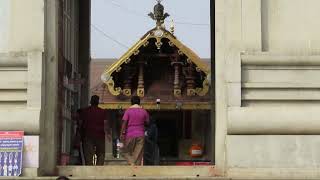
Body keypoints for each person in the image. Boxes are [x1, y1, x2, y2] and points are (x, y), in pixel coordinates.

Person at [80, 95, 111, 165]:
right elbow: (105, 124)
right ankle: (99, 169)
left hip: (88, 135)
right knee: (101, 154)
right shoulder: (103, 112)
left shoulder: (85, 111)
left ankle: (90, 169)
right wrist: (108, 134)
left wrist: (80, 134)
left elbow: (81, 123)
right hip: (100, 135)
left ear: (90, 102)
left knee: (88, 155)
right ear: (98, 102)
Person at [120, 96, 149, 165]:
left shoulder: (128, 111)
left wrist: (122, 134)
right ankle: (136, 172)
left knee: (124, 151)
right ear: (139, 102)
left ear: (131, 103)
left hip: (130, 134)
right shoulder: (144, 111)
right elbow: (147, 122)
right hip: (141, 134)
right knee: (138, 155)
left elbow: (124, 123)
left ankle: (132, 164)